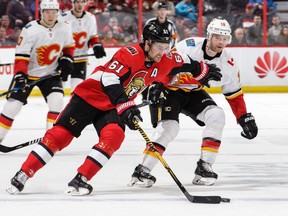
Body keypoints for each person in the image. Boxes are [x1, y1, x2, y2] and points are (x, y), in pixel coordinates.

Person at [6, 23, 222, 195]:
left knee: (114, 136)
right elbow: (109, 78)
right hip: (90, 96)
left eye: (167, 46)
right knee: (59, 136)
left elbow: (186, 62)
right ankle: (23, 174)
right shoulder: (129, 53)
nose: (163, 52)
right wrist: (125, 104)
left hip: (114, 105)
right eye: (159, 46)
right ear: (147, 43)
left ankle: (81, 179)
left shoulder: (166, 58)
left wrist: (205, 69)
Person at [128, 18, 258, 188]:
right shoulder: (188, 46)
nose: (221, 42)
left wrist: (243, 117)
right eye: (218, 37)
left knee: (216, 115)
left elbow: (234, 93)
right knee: (169, 128)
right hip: (170, 90)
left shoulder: (228, 62)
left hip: (193, 92)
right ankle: (142, 170)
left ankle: (204, 167)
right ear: (209, 35)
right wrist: (157, 84)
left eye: (225, 38)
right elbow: (165, 64)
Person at [0, 0, 75, 144]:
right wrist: (20, 75)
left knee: (57, 102)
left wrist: (67, 60)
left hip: (50, 74)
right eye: (47, 12)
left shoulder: (65, 27)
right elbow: (21, 56)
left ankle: (51, 139)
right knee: (12, 107)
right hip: (28, 74)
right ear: (42, 12)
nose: (51, 15)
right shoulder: (30, 29)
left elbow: (69, 47)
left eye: (54, 12)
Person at [60, 0, 106, 92]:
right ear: (73, 3)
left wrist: (96, 46)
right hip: (64, 58)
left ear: (85, 3)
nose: (80, 4)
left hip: (81, 59)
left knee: (77, 89)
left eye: (82, 2)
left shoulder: (91, 18)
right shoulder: (62, 18)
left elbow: (93, 36)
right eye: (77, 2)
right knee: (59, 90)